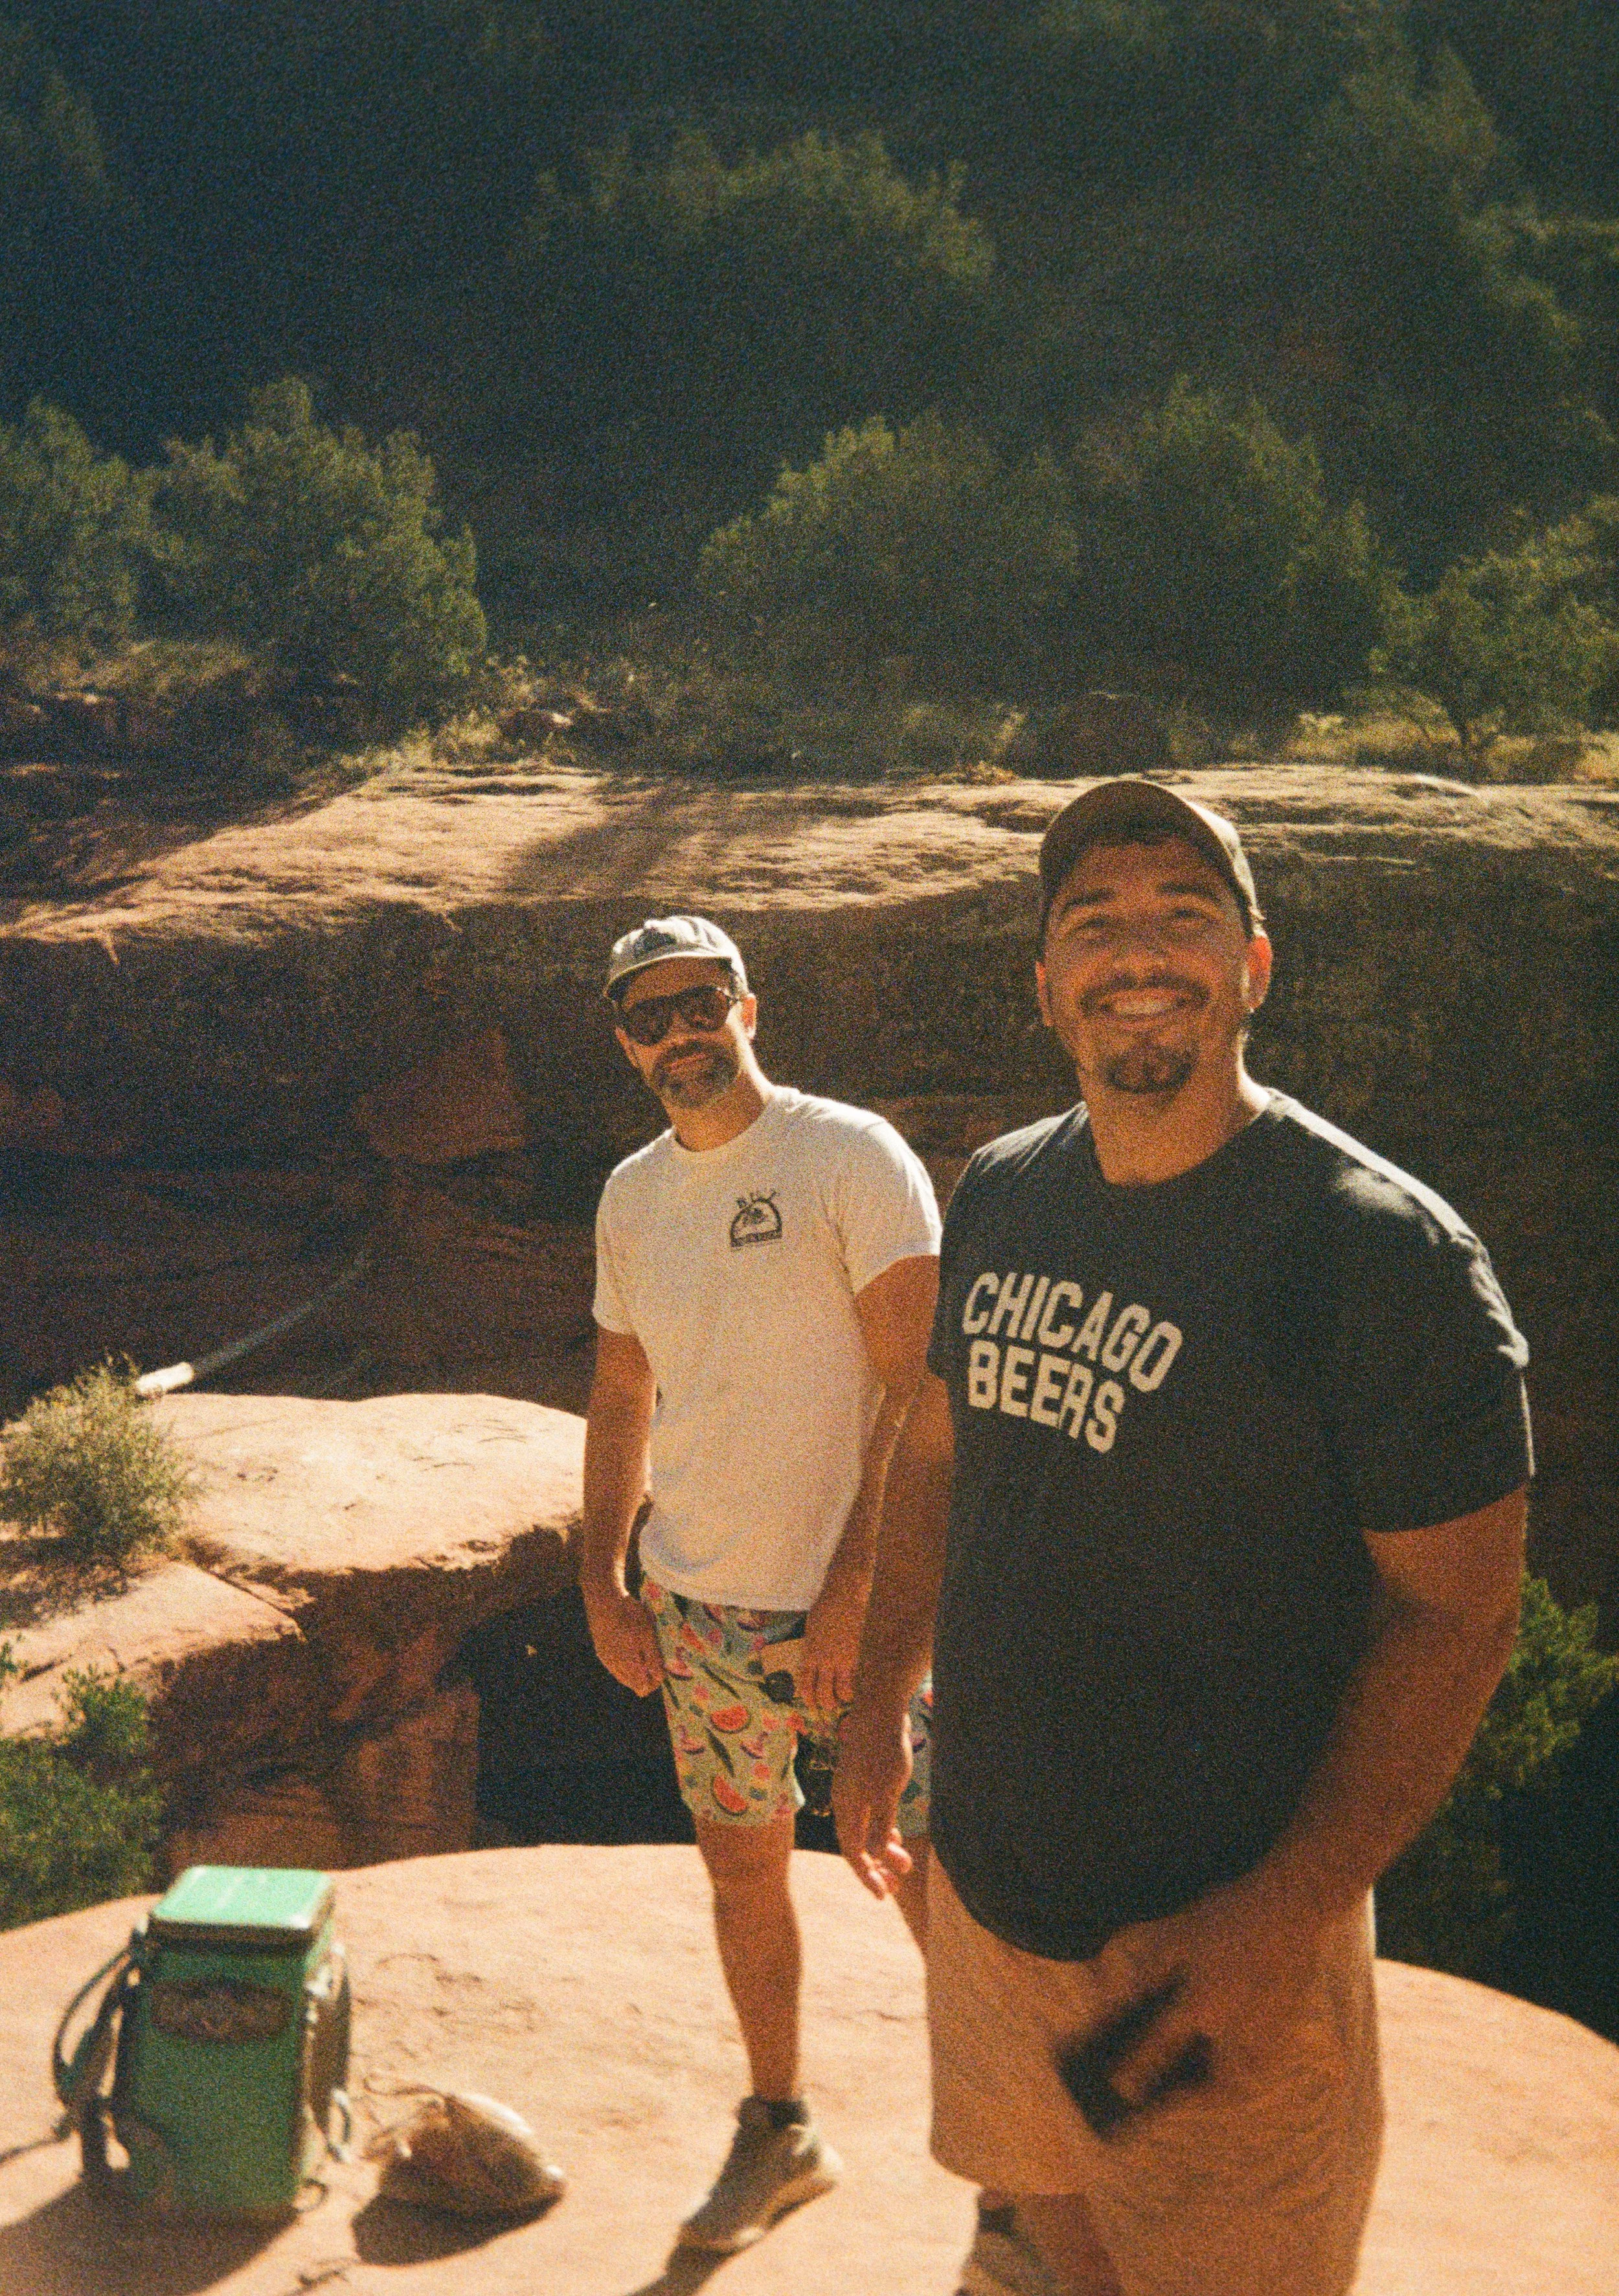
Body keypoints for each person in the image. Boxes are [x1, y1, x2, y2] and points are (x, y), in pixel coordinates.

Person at [835, 780, 1532, 2296]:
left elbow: (1460, 1615)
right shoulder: (1011, 1189)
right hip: (997, 1897)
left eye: (1180, 917)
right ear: (1043, 987)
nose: (1134, 952)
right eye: (1092, 923)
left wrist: (1279, 1920)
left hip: (1217, 1951)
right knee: (1048, 2227)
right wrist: (877, 1692)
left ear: (1252, 966)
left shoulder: (1371, 1251)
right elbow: (942, 1442)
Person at [580, 912, 942, 2253]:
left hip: (865, 1607)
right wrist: (601, 1579)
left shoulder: (848, 1155)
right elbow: (623, 1390)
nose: (678, 1032)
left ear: (748, 1003)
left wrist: (854, 1588)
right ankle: (780, 2123)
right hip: (702, 1606)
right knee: (744, 1870)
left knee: (922, 1867)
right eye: (648, 1016)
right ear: (624, 1044)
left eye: (698, 1001)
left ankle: (1032, 2159)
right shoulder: (631, 1196)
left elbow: (917, 1387)